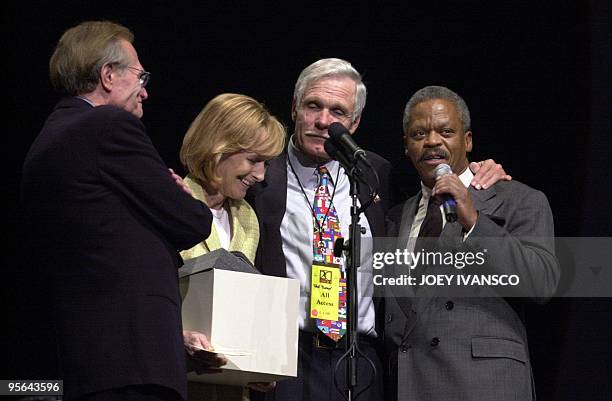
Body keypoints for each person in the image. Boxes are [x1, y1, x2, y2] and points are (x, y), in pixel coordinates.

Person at [246, 59, 509, 401]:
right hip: (287, 357)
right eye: (313, 106)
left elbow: (437, 178)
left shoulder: (374, 173)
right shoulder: (261, 173)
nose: (323, 121)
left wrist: (480, 172)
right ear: (295, 108)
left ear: (353, 123)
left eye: (337, 112)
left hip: (363, 359)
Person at [20, 21, 213, 401]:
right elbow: (192, 223)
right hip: (133, 360)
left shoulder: (48, 139)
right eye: (140, 76)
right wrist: (181, 194)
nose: (145, 92)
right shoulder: (107, 126)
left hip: (85, 357)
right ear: (108, 75)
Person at [384, 86, 560, 401]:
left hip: (484, 384)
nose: (432, 141)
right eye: (419, 133)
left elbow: (542, 282)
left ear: (467, 141)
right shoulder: (398, 215)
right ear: (407, 146)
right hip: (411, 385)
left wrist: (474, 222)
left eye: (446, 131)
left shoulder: (518, 200)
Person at [178, 93, 286, 401]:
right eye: (253, 161)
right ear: (218, 149)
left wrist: (257, 368)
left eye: (265, 163)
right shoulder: (173, 204)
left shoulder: (247, 218)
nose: (261, 175)